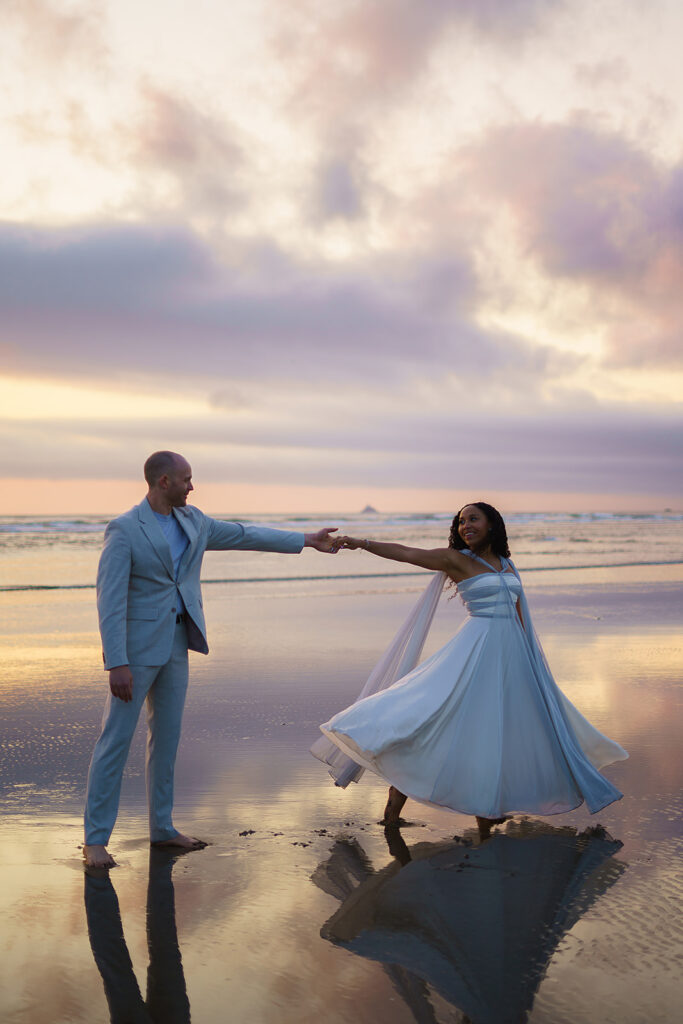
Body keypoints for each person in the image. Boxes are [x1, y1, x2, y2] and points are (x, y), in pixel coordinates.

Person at [84, 450, 337, 869]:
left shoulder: (194, 520)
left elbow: (244, 534)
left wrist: (307, 540)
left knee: (166, 739)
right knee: (114, 742)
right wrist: (116, 662)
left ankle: (162, 829)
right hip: (135, 652)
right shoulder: (126, 529)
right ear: (163, 481)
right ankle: (95, 840)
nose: (192, 485)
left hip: (177, 643)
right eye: (186, 479)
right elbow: (109, 598)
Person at [317, 502, 628, 835]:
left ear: (491, 525)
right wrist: (362, 543)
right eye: (461, 521)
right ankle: (395, 810)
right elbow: (407, 552)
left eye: (473, 519)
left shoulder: (508, 564)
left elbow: (521, 614)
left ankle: (487, 811)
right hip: (475, 650)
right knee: (434, 721)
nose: (466, 525)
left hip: (512, 656)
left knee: (495, 732)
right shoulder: (456, 560)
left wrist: (533, 661)